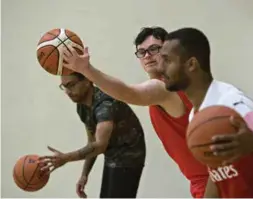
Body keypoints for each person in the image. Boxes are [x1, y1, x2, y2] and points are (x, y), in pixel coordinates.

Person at [61, 27, 210, 198]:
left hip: (212, 181)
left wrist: (87, 70)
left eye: (154, 49)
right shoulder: (174, 84)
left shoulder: (162, 87)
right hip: (208, 178)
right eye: (141, 52)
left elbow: (128, 93)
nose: (147, 55)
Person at [159, 27, 253, 198]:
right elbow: (216, 172)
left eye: (167, 60)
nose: (160, 67)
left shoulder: (233, 103)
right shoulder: (198, 116)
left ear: (191, 64)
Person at [39, 72, 146, 198]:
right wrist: (84, 174)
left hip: (130, 156)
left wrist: (66, 158)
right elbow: (92, 142)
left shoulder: (105, 105)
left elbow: (100, 145)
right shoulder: (82, 106)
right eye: (64, 87)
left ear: (87, 80)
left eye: (71, 85)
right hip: (112, 154)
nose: (68, 91)